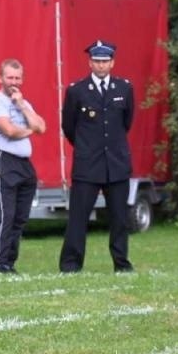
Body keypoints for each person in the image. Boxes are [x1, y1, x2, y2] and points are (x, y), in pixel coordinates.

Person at [58, 39, 136, 273]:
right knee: (78, 219)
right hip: (87, 165)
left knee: (120, 219)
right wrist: (86, 146)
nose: (101, 66)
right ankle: (71, 264)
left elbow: (126, 122)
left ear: (112, 63)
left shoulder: (124, 88)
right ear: (89, 62)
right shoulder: (76, 90)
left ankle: (121, 264)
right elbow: (69, 126)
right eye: (97, 61)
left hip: (116, 163)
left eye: (105, 61)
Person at [0, 58, 46, 274]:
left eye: (17, 78)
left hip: (24, 164)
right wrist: (31, 130)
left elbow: (42, 126)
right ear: (0, 78)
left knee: (20, 217)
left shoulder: (23, 102)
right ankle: (0, 263)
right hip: (5, 160)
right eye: (9, 77)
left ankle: (11, 262)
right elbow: (9, 131)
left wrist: (21, 105)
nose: (13, 81)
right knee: (7, 214)